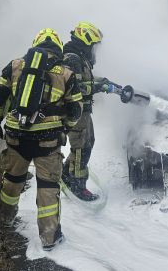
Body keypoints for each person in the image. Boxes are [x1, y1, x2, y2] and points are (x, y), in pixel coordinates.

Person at [0, 28, 83, 251]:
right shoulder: (66, 73)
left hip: (16, 136)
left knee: (13, 178)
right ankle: (49, 238)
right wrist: (64, 128)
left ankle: (6, 218)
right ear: (57, 48)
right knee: (48, 186)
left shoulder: (15, 65)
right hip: (47, 141)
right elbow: (76, 110)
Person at [60, 21, 119, 201]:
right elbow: (75, 87)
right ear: (85, 40)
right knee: (81, 149)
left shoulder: (79, 56)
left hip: (83, 110)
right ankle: (78, 185)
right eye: (93, 44)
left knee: (88, 143)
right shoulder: (72, 58)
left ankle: (66, 174)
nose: (95, 49)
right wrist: (100, 86)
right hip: (75, 111)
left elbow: (87, 80)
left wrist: (106, 82)